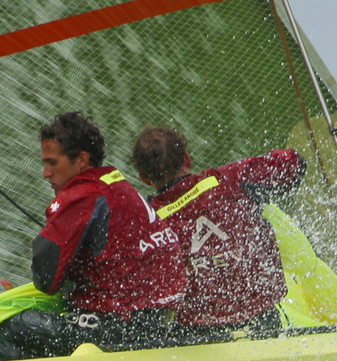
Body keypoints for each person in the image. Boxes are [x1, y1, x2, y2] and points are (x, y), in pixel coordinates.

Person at [0, 111, 185, 361]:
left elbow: (46, 280)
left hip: (120, 327)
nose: (45, 173)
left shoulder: (83, 195)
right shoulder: (114, 181)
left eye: (52, 163)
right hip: (156, 319)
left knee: (1, 329)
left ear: (81, 160)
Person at [131, 126, 306, 341]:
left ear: (144, 178)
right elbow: (294, 164)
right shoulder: (230, 179)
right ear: (187, 158)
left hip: (198, 335)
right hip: (262, 319)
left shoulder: (149, 220)